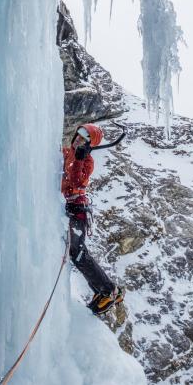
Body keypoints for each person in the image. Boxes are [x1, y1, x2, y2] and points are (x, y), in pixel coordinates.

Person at [61, 123, 123, 315]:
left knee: (76, 252)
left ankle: (108, 291)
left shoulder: (87, 161)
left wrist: (79, 159)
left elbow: (78, 182)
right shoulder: (66, 152)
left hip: (76, 209)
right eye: (78, 133)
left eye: (84, 137)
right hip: (69, 208)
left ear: (90, 144)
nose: (78, 138)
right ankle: (101, 290)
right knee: (76, 252)